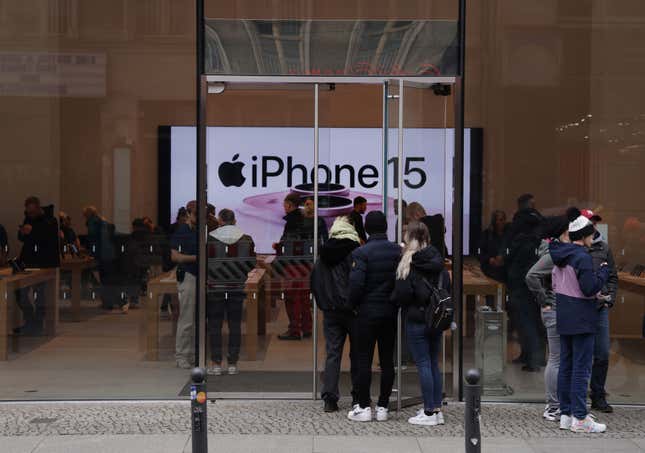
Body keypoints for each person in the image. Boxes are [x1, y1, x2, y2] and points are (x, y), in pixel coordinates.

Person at [550, 214, 610, 433]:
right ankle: (581, 418)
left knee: (566, 366)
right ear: (584, 236)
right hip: (582, 317)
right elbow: (589, 288)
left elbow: (555, 284)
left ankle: (566, 414)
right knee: (581, 369)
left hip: (565, 314)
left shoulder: (560, 255)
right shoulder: (582, 257)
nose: (592, 238)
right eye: (591, 235)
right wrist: (603, 272)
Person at [392, 221, 448, 426]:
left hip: (416, 319)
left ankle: (429, 412)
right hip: (436, 318)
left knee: (423, 363)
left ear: (410, 237)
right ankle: (436, 408)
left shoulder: (409, 261)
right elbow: (446, 288)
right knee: (433, 362)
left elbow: (402, 295)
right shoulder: (437, 258)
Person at [347, 211, 400, 422]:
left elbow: (356, 285)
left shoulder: (361, 253)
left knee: (363, 360)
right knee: (387, 360)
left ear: (367, 228)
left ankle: (363, 405)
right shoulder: (397, 251)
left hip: (367, 313)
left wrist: (352, 305)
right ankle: (383, 406)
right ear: (385, 227)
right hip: (389, 312)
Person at [310, 216, 361, 413]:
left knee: (333, 354)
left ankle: (329, 399)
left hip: (331, 311)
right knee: (357, 354)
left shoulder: (323, 254)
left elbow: (315, 282)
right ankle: (358, 396)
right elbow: (358, 282)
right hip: (353, 311)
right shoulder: (355, 252)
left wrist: (323, 304)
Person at [525, 215, 570, 422]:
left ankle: (556, 404)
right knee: (556, 358)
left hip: (557, 309)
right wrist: (544, 300)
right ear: (562, 233)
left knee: (558, 358)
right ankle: (553, 406)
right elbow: (531, 275)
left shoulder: (555, 250)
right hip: (554, 310)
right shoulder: (553, 253)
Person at [206, 208, 255, 376]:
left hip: (215, 288)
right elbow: (251, 264)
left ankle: (217, 363)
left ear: (220, 221)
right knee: (235, 326)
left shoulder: (210, 238)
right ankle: (233, 363)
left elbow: (205, 263)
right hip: (236, 287)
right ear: (234, 221)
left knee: (215, 326)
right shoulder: (246, 239)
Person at [579, 209, 618, 413]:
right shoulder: (575, 248)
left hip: (600, 308)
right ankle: (577, 396)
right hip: (580, 307)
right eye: (589, 222)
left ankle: (598, 395)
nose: (592, 225)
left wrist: (609, 298)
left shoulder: (604, 247)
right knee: (581, 354)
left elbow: (612, 276)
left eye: (594, 222)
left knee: (602, 353)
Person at [505, 206, 544, 371]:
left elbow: (512, 261)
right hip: (530, 287)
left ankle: (532, 359)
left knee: (526, 323)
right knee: (532, 322)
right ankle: (531, 356)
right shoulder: (537, 241)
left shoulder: (522, 241)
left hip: (520, 286)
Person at [15, 196, 60, 335]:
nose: (30, 215)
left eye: (33, 212)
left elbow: (47, 236)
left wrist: (32, 231)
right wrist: (22, 232)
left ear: (39, 208)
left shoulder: (51, 220)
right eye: (28, 212)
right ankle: (31, 321)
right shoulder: (28, 219)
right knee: (19, 291)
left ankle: (37, 324)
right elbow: (22, 238)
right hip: (28, 261)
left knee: (40, 295)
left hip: (44, 262)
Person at [274, 193, 311, 340]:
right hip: (306, 264)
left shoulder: (291, 222)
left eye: (284, 205)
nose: (283, 208)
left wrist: (278, 247)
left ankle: (294, 330)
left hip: (292, 265)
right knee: (304, 298)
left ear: (289, 205)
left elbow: (289, 245)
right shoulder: (307, 220)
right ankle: (307, 328)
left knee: (291, 297)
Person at [170, 200, 198, 369]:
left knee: (195, 319)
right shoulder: (182, 231)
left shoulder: (200, 230)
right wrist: (197, 258)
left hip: (199, 276)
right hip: (188, 275)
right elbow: (175, 256)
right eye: (196, 214)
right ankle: (181, 355)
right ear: (188, 214)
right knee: (187, 318)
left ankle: (192, 353)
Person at [83, 206, 126, 313]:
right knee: (110, 280)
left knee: (106, 280)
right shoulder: (103, 221)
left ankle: (118, 302)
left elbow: (94, 240)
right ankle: (112, 303)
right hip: (111, 254)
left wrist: (91, 254)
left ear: (87, 215)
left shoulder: (92, 223)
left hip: (103, 255)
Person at [478, 210, 509, 284]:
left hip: (505, 269)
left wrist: (504, 258)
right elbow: (479, 252)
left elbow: (511, 250)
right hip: (489, 269)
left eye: (504, 219)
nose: (503, 222)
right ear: (495, 221)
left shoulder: (508, 235)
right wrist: (489, 259)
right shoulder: (487, 235)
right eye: (500, 220)